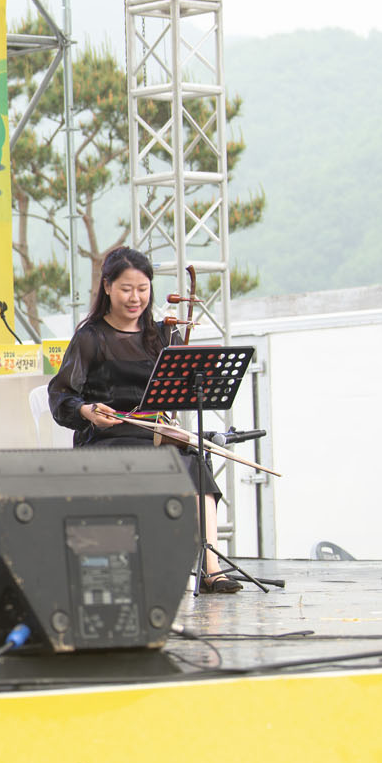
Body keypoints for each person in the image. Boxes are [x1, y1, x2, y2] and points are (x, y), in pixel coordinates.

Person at [45, 246, 238, 593]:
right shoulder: (91, 337)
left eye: (143, 289)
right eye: (126, 289)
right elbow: (61, 396)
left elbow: (180, 388)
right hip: (107, 438)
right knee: (153, 459)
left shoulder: (163, 335)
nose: (135, 298)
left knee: (195, 462)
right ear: (107, 287)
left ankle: (211, 568)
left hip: (155, 434)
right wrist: (88, 411)